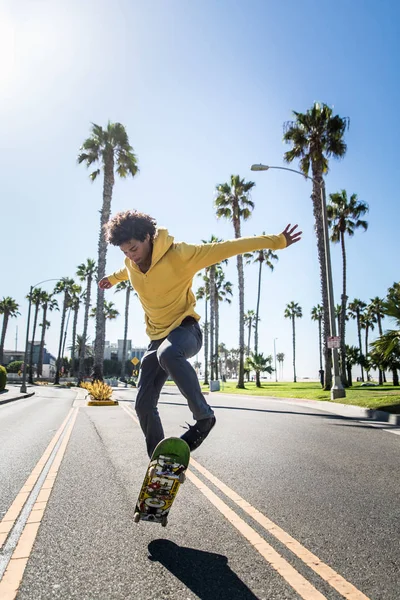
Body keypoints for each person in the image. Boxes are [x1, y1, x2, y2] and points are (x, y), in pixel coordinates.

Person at [99, 210, 302, 457]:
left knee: (169, 353)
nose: (131, 256)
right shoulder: (130, 265)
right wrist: (111, 279)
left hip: (186, 331)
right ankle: (161, 462)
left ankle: (204, 417)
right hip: (157, 339)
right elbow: (124, 272)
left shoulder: (181, 255)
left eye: (133, 248)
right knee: (142, 405)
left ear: (148, 237)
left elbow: (228, 247)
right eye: (125, 253)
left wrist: (277, 241)